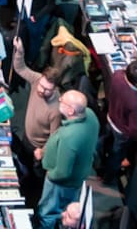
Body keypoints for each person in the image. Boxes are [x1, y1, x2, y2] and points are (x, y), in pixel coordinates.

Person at [37, 90, 99, 229]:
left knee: (49, 211)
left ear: (70, 111)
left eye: (62, 101)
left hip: (61, 183)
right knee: (66, 205)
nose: (59, 100)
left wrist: (50, 174)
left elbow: (62, 172)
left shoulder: (70, 137)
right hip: (79, 175)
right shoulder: (90, 115)